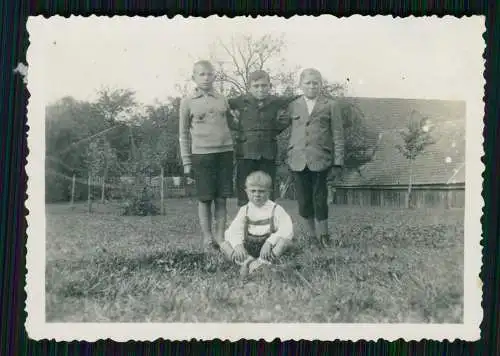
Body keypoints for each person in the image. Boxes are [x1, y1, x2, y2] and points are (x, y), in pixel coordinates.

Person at [178, 60, 235, 251]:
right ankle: (207, 238)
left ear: (214, 77)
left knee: (221, 198)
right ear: (193, 77)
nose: (206, 78)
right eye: (201, 74)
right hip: (201, 156)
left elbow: (231, 124)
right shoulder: (187, 102)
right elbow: (183, 134)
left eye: (209, 74)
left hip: (225, 153)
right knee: (205, 198)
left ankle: (220, 237)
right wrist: (187, 161)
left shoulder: (222, 99)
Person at [286, 68, 345, 248]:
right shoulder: (293, 105)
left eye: (315, 83)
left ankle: (324, 236)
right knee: (303, 201)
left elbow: (338, 134)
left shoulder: (331, 105)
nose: (311, 86)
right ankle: (311, 237)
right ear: (300, 85)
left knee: (320, 199)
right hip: (297, 159)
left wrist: (338, 162)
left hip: (320, 159)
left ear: (321, 85)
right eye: (308, 83)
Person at [227, 70, 299, 207]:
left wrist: (277, 127)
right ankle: (246, 223)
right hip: (245, 152)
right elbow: (222, 106)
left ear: (270, 86)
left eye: (264, 85)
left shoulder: (275, 101)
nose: (260, 89)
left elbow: (294, 101)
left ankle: (267, 224)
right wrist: (236, 126)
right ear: (249, 87)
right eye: (256, 86)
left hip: (268, 152)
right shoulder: (240, 101)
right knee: (244, 190)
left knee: (268, 189)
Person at [219, 171, 294, 277]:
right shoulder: (245, 210)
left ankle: (262, 264)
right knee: (224, 245)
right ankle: (248, 262)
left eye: (261, 191)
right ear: (246, 191)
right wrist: (238, 245)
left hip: (268, 250)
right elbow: (233, 231)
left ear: (269, 192)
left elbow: (287, 229)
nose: (257, 195)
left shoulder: (276, 209)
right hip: (249, 248)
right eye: (253, 191)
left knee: (284, 242)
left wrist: (270, 242)